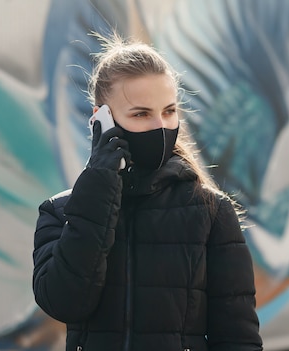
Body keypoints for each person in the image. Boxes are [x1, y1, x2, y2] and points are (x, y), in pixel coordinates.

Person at [32, 32, 263, 351]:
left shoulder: (211, 212)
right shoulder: (61, 213)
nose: (160, 126)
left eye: (169, 111)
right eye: (141, 114)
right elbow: (64, 303)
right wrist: (99, 187)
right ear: (102, 119)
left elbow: (238, 340)